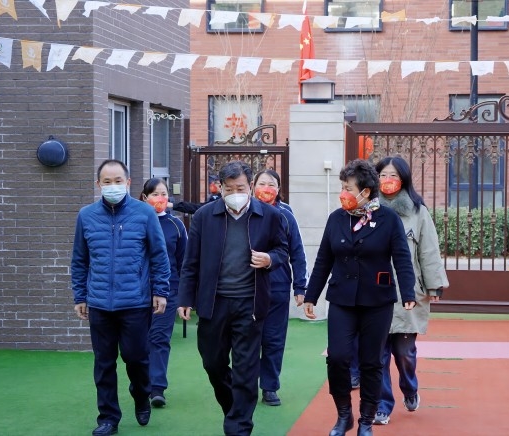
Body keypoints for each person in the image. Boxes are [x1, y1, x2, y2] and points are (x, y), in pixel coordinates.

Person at [304, 159, 416, 436]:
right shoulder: (336, 219)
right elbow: (323, 260)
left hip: (377, 301)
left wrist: (408, 292)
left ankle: (366, 421)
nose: (343, 193)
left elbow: (402, 258)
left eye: (348, 188)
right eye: (342, 187)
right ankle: (344, 415)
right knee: (338, 357)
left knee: (371, 361)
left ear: (365, 192)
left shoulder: (388, 219)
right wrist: (311, 295)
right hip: (342, 299)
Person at [177, 160, 288, 436]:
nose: (235, 193)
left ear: (250, 186)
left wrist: (270, 259)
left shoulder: (270, 216)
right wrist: (185, 298)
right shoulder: (204, 216)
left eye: (240, 188)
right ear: (220, 188)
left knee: (246, 368)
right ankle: (234, 409)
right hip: (214, 303)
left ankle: (238, 427)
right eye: (229, 189)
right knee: (212, 363)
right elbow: (191, 261)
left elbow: (282, 250)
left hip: (250, 302)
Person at [71, 159, 171, 436]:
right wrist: (80, 295)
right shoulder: (86, 216)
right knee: (104, 363)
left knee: (136, 358)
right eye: (107, 181)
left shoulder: (144, 213)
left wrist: (160, 291)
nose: (112, 186)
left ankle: (141, 395)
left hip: (136, 302)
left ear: (128, 183)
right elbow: (79, 260)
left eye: (118, 181)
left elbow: (159, 255)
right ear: (98, 184)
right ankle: (108, 418)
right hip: (99, 303)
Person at [372, 156, 450, 425]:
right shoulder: (367, 210)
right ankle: (382, 405)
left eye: (393, 175)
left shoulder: (418, 213)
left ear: (403, 179)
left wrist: (434, 284)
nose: (387, 180)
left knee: (405, 353)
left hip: (407, 294)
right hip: (374, 294)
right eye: (382, 175)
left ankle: (410, 387)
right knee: (377, 356)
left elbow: (428, 250)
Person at [252, 169, 307, 407]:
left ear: (279, 189)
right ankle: (246, 386)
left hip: (278, 286)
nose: (266, 188)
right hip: (247, 287)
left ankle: (270, 387)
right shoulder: (243, 212)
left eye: (271, 184)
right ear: (253, 186)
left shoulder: (285, 215)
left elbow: (297, 252)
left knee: (273, 339)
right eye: (262, 183)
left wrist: (300, 286)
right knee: (248, 339)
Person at [140, 178, 188, 409]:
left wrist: (183, 296)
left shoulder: (176, 225)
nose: (160, 198)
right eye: (155, 194)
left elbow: (184, 261)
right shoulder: (136, 222)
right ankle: (141, 384)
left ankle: (157, 388)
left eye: (163, 194)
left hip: (168, 291)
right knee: (140, 341)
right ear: (144, 197)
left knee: (159, 338)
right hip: (137, 292)